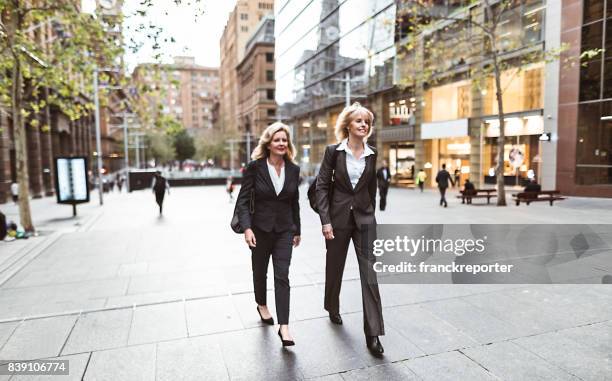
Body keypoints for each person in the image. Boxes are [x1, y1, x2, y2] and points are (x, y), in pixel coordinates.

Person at [315, 102, 385, 357]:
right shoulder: (334, 152)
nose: (364, 125)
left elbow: (371, 187)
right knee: (334, 267)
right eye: (359, 121)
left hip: (365, 220)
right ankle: (332, 306)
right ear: (347, 125)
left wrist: (371, 214)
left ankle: (373, 334)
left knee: (370, 275)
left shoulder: (372, 153)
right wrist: (326, 220)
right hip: (337, 218)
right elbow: (322, 186)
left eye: (367, 121)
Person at [236, 122, 301, 347]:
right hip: (260, 230)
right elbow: (243, 201)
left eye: (284, 140)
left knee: (282, 276)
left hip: (284, 230)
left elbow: (295, 202)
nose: (281, 143)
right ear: (269, 143)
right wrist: (247, 228)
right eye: (277, 140)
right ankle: (262, 304)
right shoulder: (254, 167)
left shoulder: (293, 169)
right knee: (260, 271)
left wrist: (297, 229)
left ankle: (284, 327)